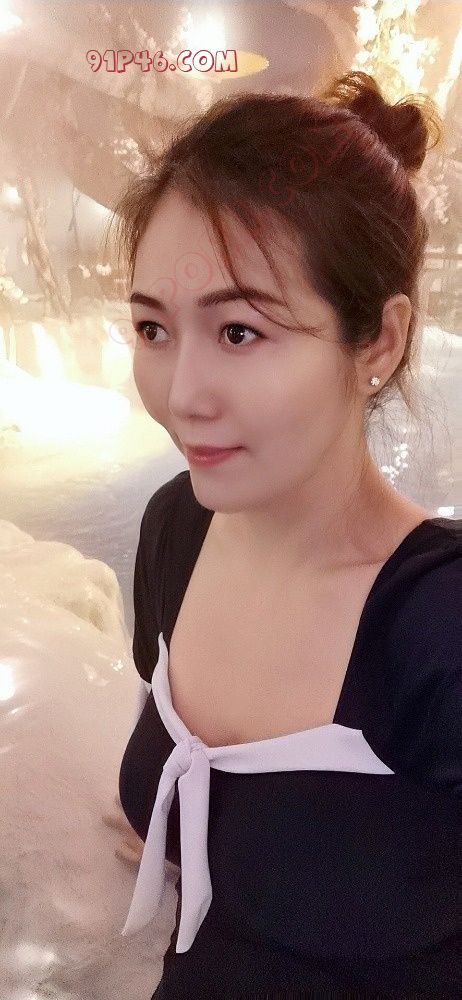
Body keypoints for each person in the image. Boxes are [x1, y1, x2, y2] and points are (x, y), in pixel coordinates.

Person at [109, 72, 461, 997]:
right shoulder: (177, 529)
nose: (181, 396)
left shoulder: (437, 628)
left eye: (238, 333)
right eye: (152, 328)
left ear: (378, 342)